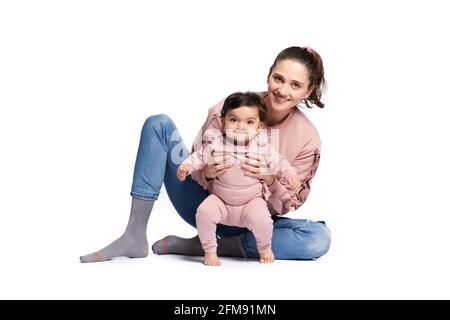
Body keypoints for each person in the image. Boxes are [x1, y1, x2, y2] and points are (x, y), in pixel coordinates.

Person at [80, 46, 331, 263]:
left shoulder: (308, 138)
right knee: (158, 124)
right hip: (208, 206)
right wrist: (207, 173)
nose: (283, 90)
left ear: (309, 91)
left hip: (252, 218)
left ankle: (207, 246)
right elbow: (197, 157)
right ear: (269, 74)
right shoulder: (231, 107)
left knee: (318, 239)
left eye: (295, 85)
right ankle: (134, 236)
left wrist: (269, 179)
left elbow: (291, 201)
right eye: (278, 78)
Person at [177, 91, 301, 265]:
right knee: (204, 212)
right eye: (233, 120)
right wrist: (185, 167)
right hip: (221, 201)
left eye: (249, 122)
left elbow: (279, 162)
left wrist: (291, 175)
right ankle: (210, 250)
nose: (240, 127)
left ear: (259, 127)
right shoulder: (217, 143)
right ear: (223, 121)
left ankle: (264, 248)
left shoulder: (261, 146)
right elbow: (199, 157)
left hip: (250, 202)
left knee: (263, 221)